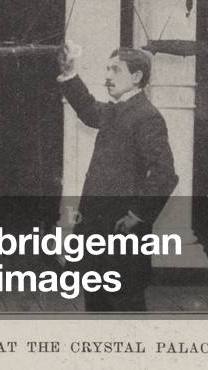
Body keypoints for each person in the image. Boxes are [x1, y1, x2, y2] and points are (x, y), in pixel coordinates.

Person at [56, 43, 178, 312]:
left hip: (122, 228)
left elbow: (165, 174)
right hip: (100, 225)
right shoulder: (117, 110)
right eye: (107, 69)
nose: (107, 76)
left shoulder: (147, 116)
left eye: (115, 69)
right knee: (97, 300)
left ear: (136, 77)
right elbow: (89, 110)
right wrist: (70, 74)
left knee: (125, 304)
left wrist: (137, 215)